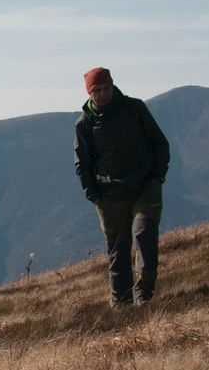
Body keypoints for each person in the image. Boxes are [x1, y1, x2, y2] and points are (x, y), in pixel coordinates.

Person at [73, 67, 171, 306]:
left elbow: (159, 142)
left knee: (144, 234)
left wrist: (157, 176)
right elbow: (82, 164)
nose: (104, 94)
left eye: (107, 88)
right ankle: (122, 306)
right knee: (118, 251)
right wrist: (94, 195)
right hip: (110, 196)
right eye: (98, 91)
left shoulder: (134, 109)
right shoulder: (85, 123)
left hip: (144, 187)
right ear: (89, 94)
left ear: (113, 86)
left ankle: (144, 294)